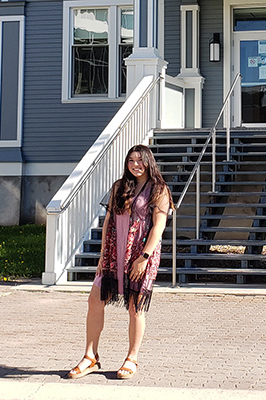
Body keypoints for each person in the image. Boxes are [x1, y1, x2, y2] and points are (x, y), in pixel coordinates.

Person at [68, 144, 174, 380]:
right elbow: (108, 222)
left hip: (140, 253)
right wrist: (103, 254)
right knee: (95, 300)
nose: (136, 165)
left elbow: (159, 226)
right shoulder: (119, 187)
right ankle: (90, 357)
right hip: (114, 253)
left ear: (149, 162)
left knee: (136, 307)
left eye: (140, 161)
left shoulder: (159, 189)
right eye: (131, 161)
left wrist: (144, 258)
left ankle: (132, 358)